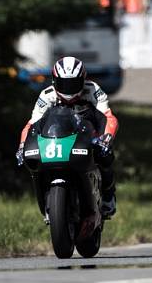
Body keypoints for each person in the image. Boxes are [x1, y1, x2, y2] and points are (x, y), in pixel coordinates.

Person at [16, 56, 119, 221]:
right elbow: (32, 124)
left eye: (73, 84)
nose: (69, 90)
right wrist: (22, 146)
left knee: (105, 155)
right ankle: (48, 199)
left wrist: (106, 138)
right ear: (55, 81)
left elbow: (108, 117)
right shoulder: (46, 95)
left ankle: (108, 196)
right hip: (58, 137)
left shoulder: (93, 89)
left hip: (88, 133)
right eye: (64, 84)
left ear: (82, 80)